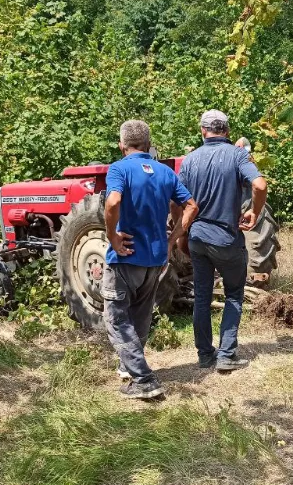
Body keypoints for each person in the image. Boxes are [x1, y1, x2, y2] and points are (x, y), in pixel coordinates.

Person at [103, 120, 198, 399]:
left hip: (126, 258)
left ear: (122, 145)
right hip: (156, 259)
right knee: (141, 315)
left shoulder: (119, 169)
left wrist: (112, 238)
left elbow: (112, 203)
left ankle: (144, 380)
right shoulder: (165, 172)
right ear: (148, 145)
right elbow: (192, 206)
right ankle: (128, 366)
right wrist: (171, 241)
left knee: (117, 318)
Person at [179, 110, 268, 372]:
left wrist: (181, 233)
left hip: (197, 239)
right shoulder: (238, 155)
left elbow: (178, 201)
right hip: (226, 240)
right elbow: (260, 186)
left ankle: (205, 355)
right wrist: (255, 211)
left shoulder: (189, 160)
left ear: (202, 131)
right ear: (227, 131)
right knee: (233, 296)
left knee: (202, 298)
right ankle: (226, 356)